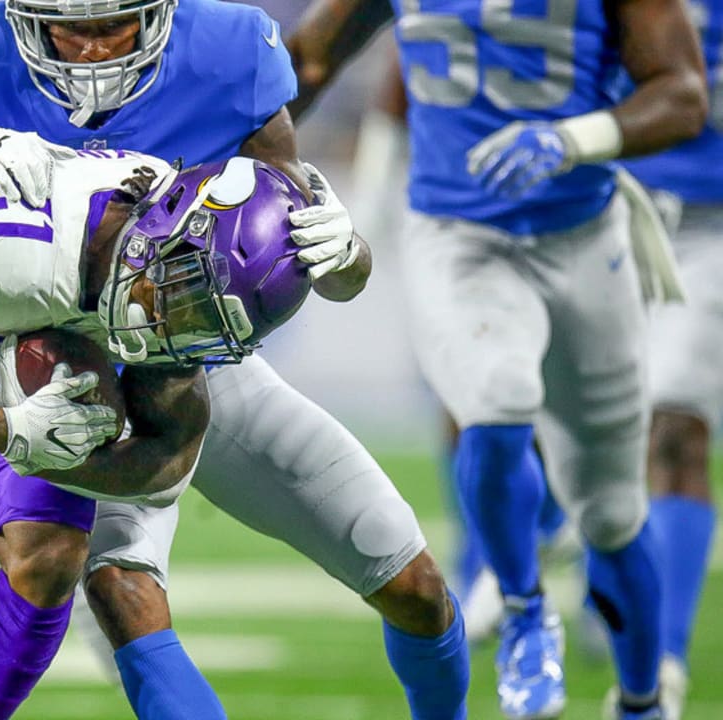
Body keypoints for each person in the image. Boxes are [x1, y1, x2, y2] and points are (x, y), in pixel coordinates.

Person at [0, 1, 472, 718]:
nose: (93, 51)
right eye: (71, 27)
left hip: (190, 348)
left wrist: (347, 257)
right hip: (62, 368)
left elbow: (300, 241)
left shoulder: (227, 54)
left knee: (413, 585)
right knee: (119, 588)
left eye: (114, 24)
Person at [285, 0, 707, 716]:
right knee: (495, 397)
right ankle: (522, 609)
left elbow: (682, 93)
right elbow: (307, 61)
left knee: (610, 510)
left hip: (584, 234)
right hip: (458, 234)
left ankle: (642, 696)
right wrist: (241, 161)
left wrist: (575, 138)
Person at [613, 3, 723, 711]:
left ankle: (665, 661)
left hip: (713, 221)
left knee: (676, 423)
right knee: (595, 436)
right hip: (605, 207)